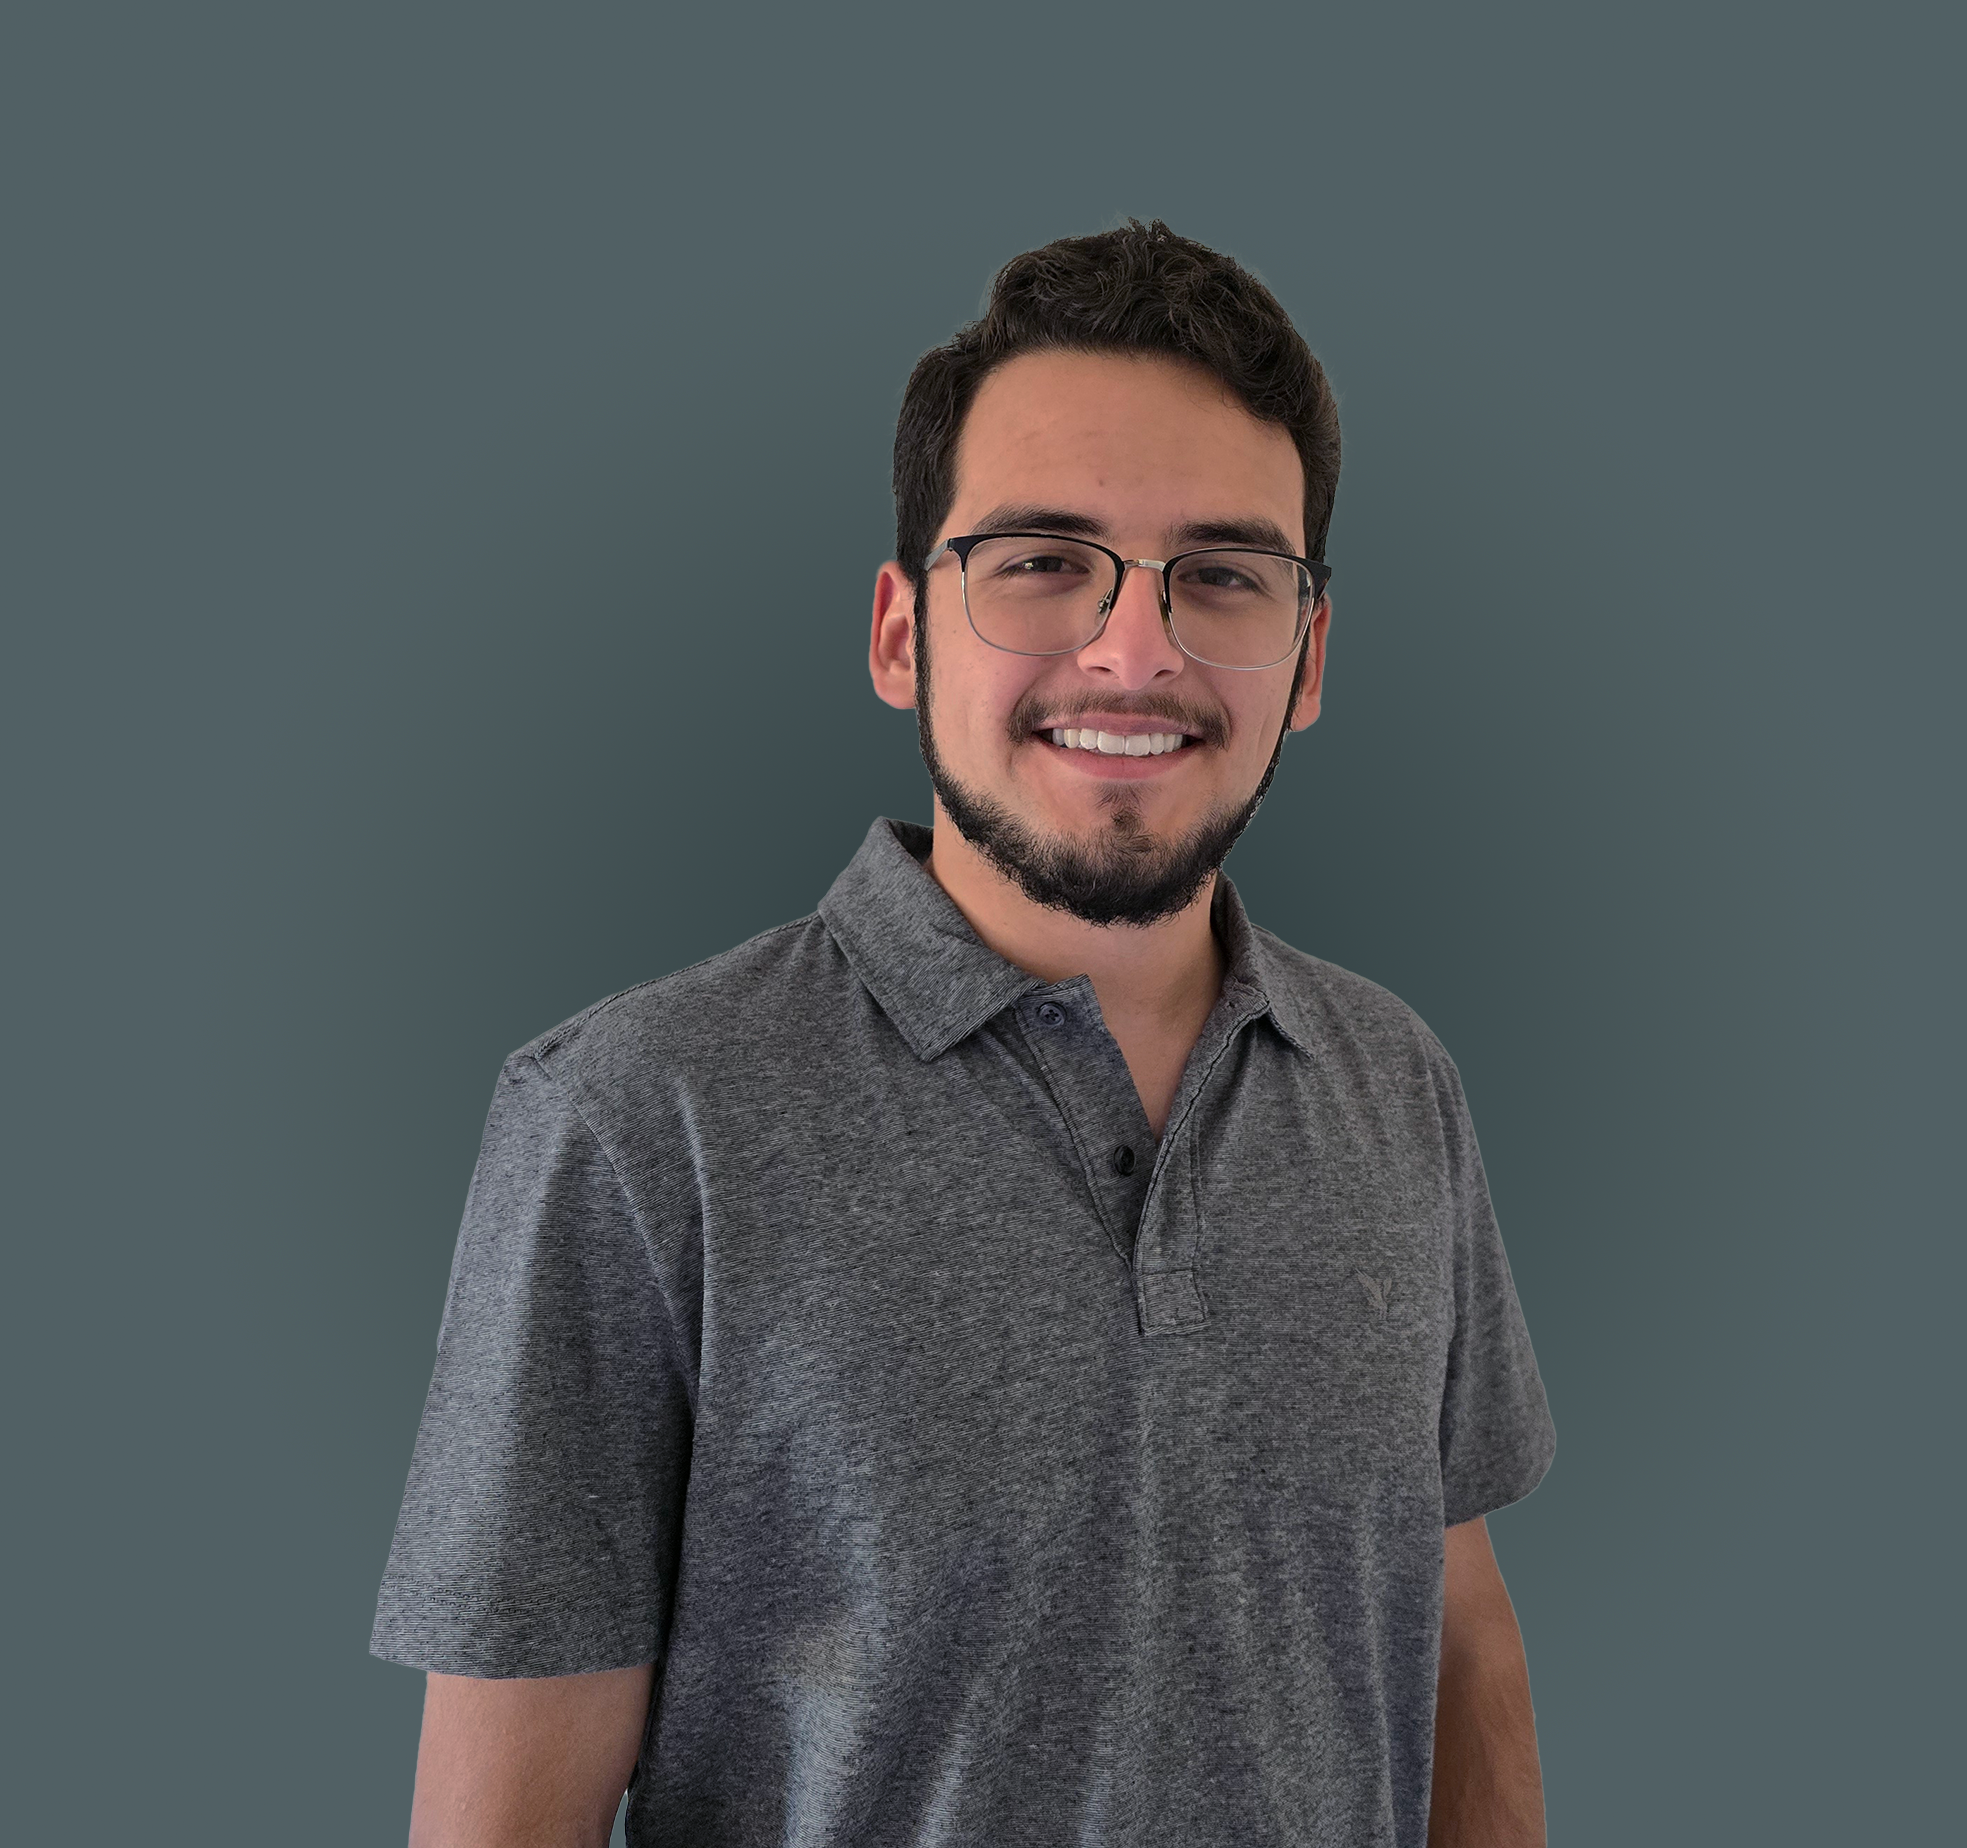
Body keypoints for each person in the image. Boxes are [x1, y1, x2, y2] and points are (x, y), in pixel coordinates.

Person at [372, 220, 1558, 1848]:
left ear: (1308, 661)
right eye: (1042, 562)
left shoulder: (1395, 1083)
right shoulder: (637, 1118)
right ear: (898, 633)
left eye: (1224, 575)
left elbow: (1461, 1639)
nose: (1133, 650)